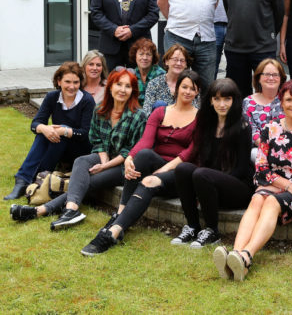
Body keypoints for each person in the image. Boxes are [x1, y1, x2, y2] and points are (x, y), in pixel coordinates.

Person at [212, 80, 292, 281]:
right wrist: (285, 185)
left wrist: (288, 187)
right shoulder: (270, 129)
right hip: (275, 185)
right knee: (257, 199)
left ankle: (246, 256)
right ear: (281, 102)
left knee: (271, 201)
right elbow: (261, 169)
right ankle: (236, 255)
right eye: (288, 99)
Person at [80, 70, 200, 256]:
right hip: (155, 164)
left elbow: (189, 153)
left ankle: (114, 231)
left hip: (179, 173)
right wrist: (129, 158)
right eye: (184, 86)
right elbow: (145, 141)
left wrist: (161, 171)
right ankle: (120, 214)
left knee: (148, 181)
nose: (187, 91)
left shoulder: (200, 118)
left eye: (192, 89)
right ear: (176, 88)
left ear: (197, 92)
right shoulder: (160, 112)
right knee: (143, 154)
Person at [10, 68, 146, 229]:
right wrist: (102, 159)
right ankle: (71, 210)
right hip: (104, 157)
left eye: (128, 86)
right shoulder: (101, 109)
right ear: (110, 87)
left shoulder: (139, 116)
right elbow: (97, 140)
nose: (122, 90)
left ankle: (40, 210)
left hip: (124, 165)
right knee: (81, 161)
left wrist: (105, 166)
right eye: (119, 84)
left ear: (133, 91)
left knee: (88, 182)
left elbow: (130, 151)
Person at [172, 79, 254, 248]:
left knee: (201, 174)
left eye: (227, 99)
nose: (222, 104)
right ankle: (193, 226)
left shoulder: (242, 126)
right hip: (209, 183)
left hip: (238, 188)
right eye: (217, 99)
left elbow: (242, 169)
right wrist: (205, 187)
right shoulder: (206, 124)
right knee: (182, 169)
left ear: (234, 100)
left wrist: (212, 181)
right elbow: (203, 159)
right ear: (210, 100)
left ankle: (212, 231)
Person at [4, 62, 95, 200]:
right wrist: (44, 128)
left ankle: (36, 178)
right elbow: (35, 124)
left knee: (60, 130)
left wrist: (64, 131)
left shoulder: (87, 100)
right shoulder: (52, 97)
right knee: (44, 134)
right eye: (67, 82)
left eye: (76, 82)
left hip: (80, 150)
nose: (72, 86)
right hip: (59, 146)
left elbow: (85, 133)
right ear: (59, 81)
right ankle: (23, 181)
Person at [222, 0, 285, 98]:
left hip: (263, 49)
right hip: (235, 49)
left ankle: (267, 124)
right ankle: (240, 124)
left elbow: (279, 14)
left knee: (267, 93)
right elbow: (229, 8)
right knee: (237, 96)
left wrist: (266, 34)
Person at [242, 59, 287, 162]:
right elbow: (253, 132)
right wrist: (271, 150)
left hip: (286, 147)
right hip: (259, 149)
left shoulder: (287, 100)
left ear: (281, 78)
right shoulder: (248, 102)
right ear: (258, 78)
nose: (271, 78)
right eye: (267, 74)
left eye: (275, 74)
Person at [142, 44, 191, 116]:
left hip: (183, 123)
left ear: (186, 64)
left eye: (182, 60)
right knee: (160, 104)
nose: (178, 63)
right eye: (175, 59)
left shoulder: (191, 85)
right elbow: (147, 111)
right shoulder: (154, 84)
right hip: (159, 123)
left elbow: (195, 110)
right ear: (166, 61)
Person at [128, 38, 166, 106]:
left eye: (148, 54)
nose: (145, 58)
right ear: (135, 56)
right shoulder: (131, 75)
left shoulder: (161, 74)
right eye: (141, 54)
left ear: (153, 57)